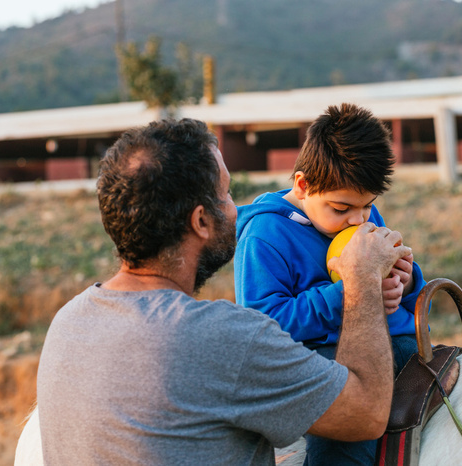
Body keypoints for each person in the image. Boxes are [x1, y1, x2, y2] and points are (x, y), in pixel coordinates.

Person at [33, 119, 412, 465]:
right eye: (228, 194)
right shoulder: (226, 339)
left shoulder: (67, 322)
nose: (238, 210)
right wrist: (361, 283)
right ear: (201, 220)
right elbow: (364, 416)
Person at [234, 103, 426, 465]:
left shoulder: (361, 213)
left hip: (394, 344)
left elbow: (411, 294)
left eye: (367, 206)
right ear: (303, 185)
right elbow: (263, 323)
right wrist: (354, 292)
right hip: (325, 362)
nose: (358, 220)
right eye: (341, 209)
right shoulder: (266, 236)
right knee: (344, 444)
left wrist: (405, 278)